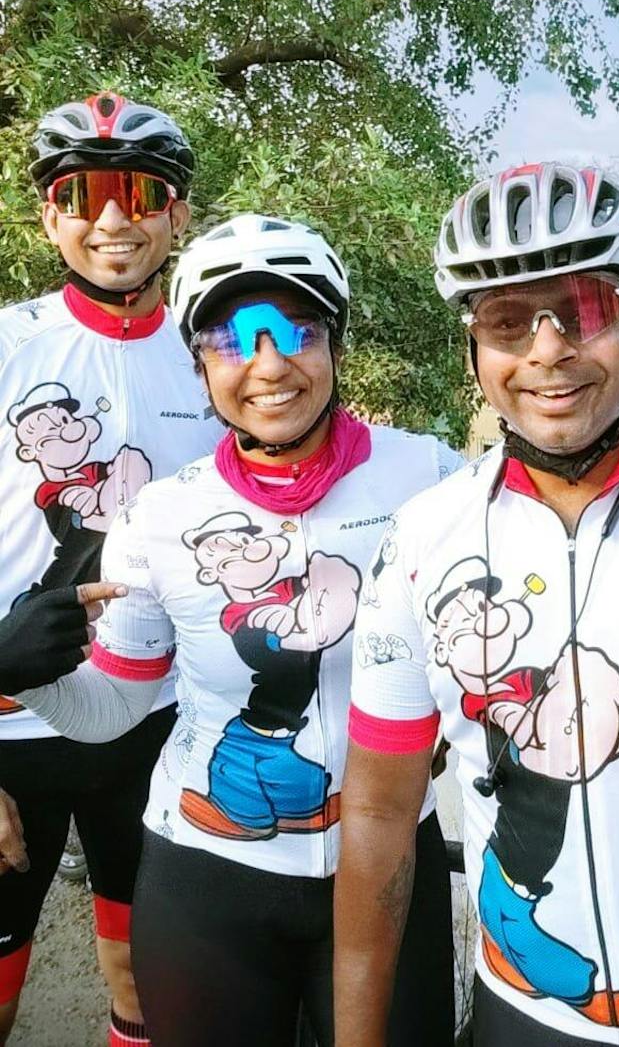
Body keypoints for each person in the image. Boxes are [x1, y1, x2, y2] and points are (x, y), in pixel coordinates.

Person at [334, 164, 619, 1047]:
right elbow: (380, 813)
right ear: (474, 348)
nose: (548, 350)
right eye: (508, 320)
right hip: (528, 1018)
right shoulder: (424, 537)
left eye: (583, 308)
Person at [18, 213, 457, 1047]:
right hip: (208, 881)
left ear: (336, 341)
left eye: (297, 329)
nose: (269, 363)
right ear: (199, 364)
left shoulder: (433, 478)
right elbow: (114, 708)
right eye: (229, 338)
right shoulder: (159, 514)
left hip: (390, 862)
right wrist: (21, 672)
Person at [0, 91, 220, 1047]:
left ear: (178, 212)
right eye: (82, 195)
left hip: (157, 720)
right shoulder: (9, 342)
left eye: (140, 191)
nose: (113, 218)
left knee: (145, 982)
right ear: (49, 216)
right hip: (14, 718)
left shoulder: (216, 356)